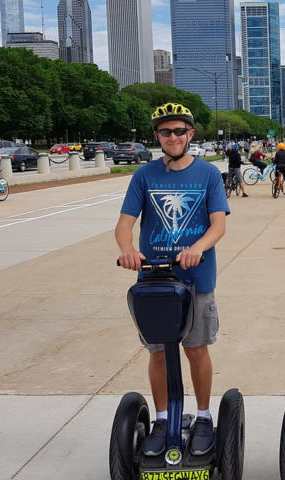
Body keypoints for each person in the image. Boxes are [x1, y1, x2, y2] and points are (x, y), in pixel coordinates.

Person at [115, 102, 229, 458]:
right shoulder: (144, 176)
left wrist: (197, 248)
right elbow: (124, 224)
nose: (174, 136)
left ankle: (205, 416)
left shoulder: (208, 174)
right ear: (157, 137)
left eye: (180, 131)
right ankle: (163, 418)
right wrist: (128, 249)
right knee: (160, 353)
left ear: (191, 134)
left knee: (196, 349)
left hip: (196, 278)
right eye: (166, 131)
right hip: (153, 279)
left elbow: (219, 224)